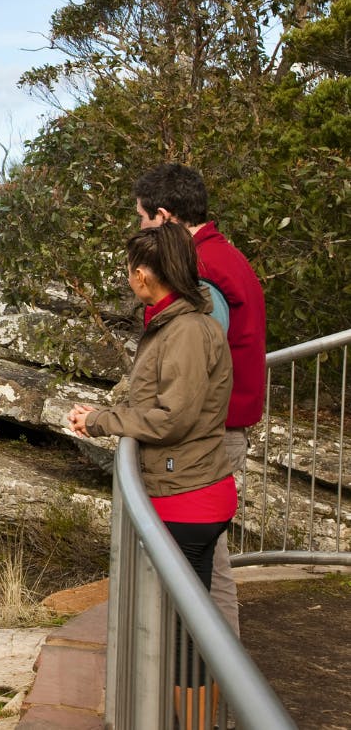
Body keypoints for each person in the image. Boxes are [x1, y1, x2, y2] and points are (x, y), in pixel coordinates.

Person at [133, 162, 266, 634]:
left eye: (144, 220)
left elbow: (195, 366)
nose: (142, 231)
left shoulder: (201, 271)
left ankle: (207, 679)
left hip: (205, 439)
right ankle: (210, 674)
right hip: (223, 428)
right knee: (208, 566)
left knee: (205, 573)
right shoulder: (225, 256)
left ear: (165, 216)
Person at [67, 223, 237, 593]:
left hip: (186, 495)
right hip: (189, 491)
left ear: (142, 276)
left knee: (177, 625)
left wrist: (99, 421)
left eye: (129, 271)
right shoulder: (177, 324)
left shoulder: (186, 332)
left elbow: (172, 419)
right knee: (185, 619)